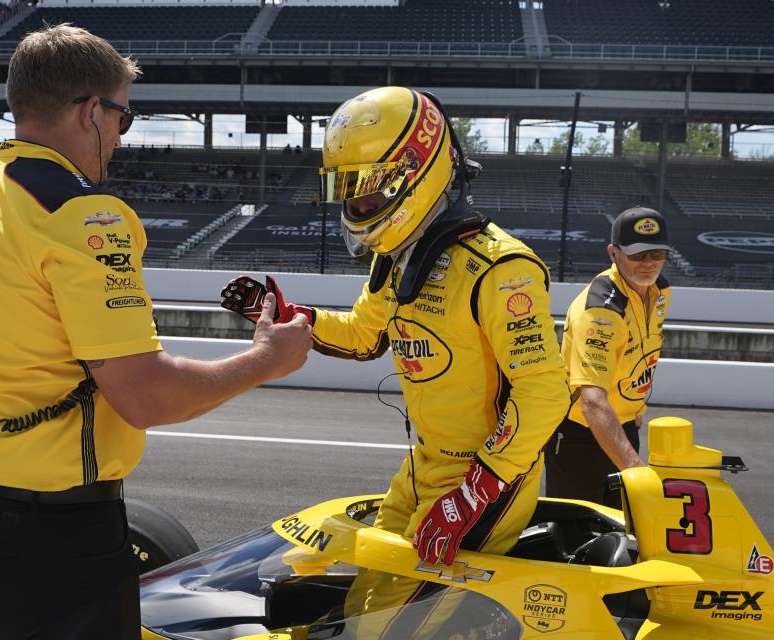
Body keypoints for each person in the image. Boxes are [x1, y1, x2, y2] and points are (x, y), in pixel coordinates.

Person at [0, 24, 311, 640]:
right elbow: (144, 396)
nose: (119, 136)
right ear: (92, 111)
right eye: (123, 118)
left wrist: (12, 398)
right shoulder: (86, 213)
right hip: (57, 539)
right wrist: (267, 360)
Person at [221, 86, 568, 634]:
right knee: (366, 606)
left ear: (417, 171)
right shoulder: (400, 259)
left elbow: (545, 393)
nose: (356, 206)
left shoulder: (502, 269)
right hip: (424, 468)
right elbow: (363, 335)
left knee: (397, 629)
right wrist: (290, 315)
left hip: (487, 478)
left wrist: (475, 490)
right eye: (347, 190)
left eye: (366, 190)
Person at [544, 206, 672, 509]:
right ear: (614, 253)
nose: (649, 263)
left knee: (625, 533)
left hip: (622, 427)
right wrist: (633, 466)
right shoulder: (601, 310)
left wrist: (635, 406)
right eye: (638, 255)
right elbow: (591, 402)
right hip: (580, 437)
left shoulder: (660, 290)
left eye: (657, 254)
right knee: (577, 539)